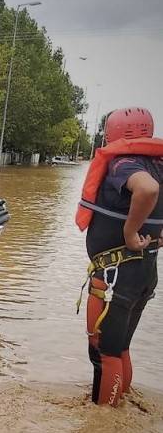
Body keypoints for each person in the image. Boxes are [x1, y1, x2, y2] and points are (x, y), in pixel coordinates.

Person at [76, 107, 163, 406]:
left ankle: (102, 422)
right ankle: (121, 407)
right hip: (143, 273)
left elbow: (147, 190)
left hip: (116, 276)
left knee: (104, 351)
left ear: (113, 133)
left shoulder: (123, 164)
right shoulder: (158, 165)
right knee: (120, 346)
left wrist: (130, 231)